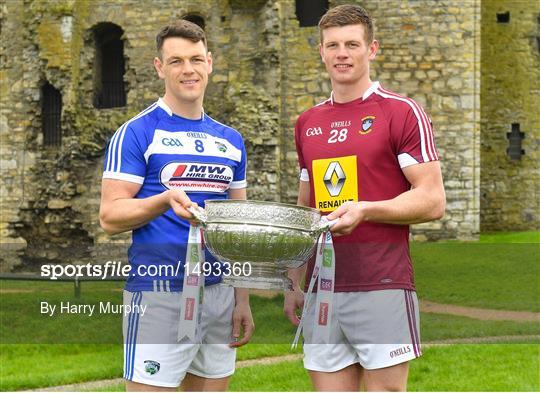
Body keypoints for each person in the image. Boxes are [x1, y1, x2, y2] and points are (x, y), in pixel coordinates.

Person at [284, 4, 445, 392]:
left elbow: (432, 199)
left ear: (371, 50)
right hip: (323, 288)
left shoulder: (401, 112)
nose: (342, 53)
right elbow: (306, 211)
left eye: (352, 44)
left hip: (382, 284)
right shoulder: (308, 123)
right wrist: (293, 282)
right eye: (333, 45)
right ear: (321, 51)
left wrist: (368, 210)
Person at [99, 20, 254, 391]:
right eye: (176, 61)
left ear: (210, 62)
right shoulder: (136, 132)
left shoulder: (231, 140)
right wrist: (164, 200)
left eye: (196, 59)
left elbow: (240, 227)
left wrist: (242, 299)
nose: (188, 70)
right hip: (159, 293)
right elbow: (110, 216)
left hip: (219, 294)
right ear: (159, 67)